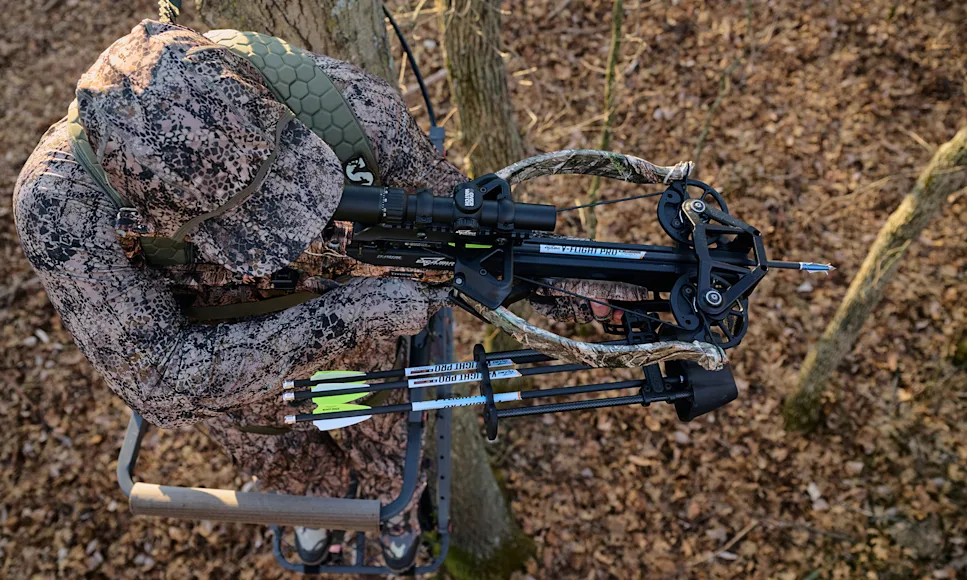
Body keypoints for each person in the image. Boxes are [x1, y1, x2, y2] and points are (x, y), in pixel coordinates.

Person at [12, 20, 620, 572]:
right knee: (285, 465)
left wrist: (576, 287)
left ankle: (397, 519)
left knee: (386, 457)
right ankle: (315, 509)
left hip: (367, 363)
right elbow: (159, 380)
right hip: (237, 392)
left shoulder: (335, 102)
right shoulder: (62, 201)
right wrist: (347, 315)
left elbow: (459, 227)